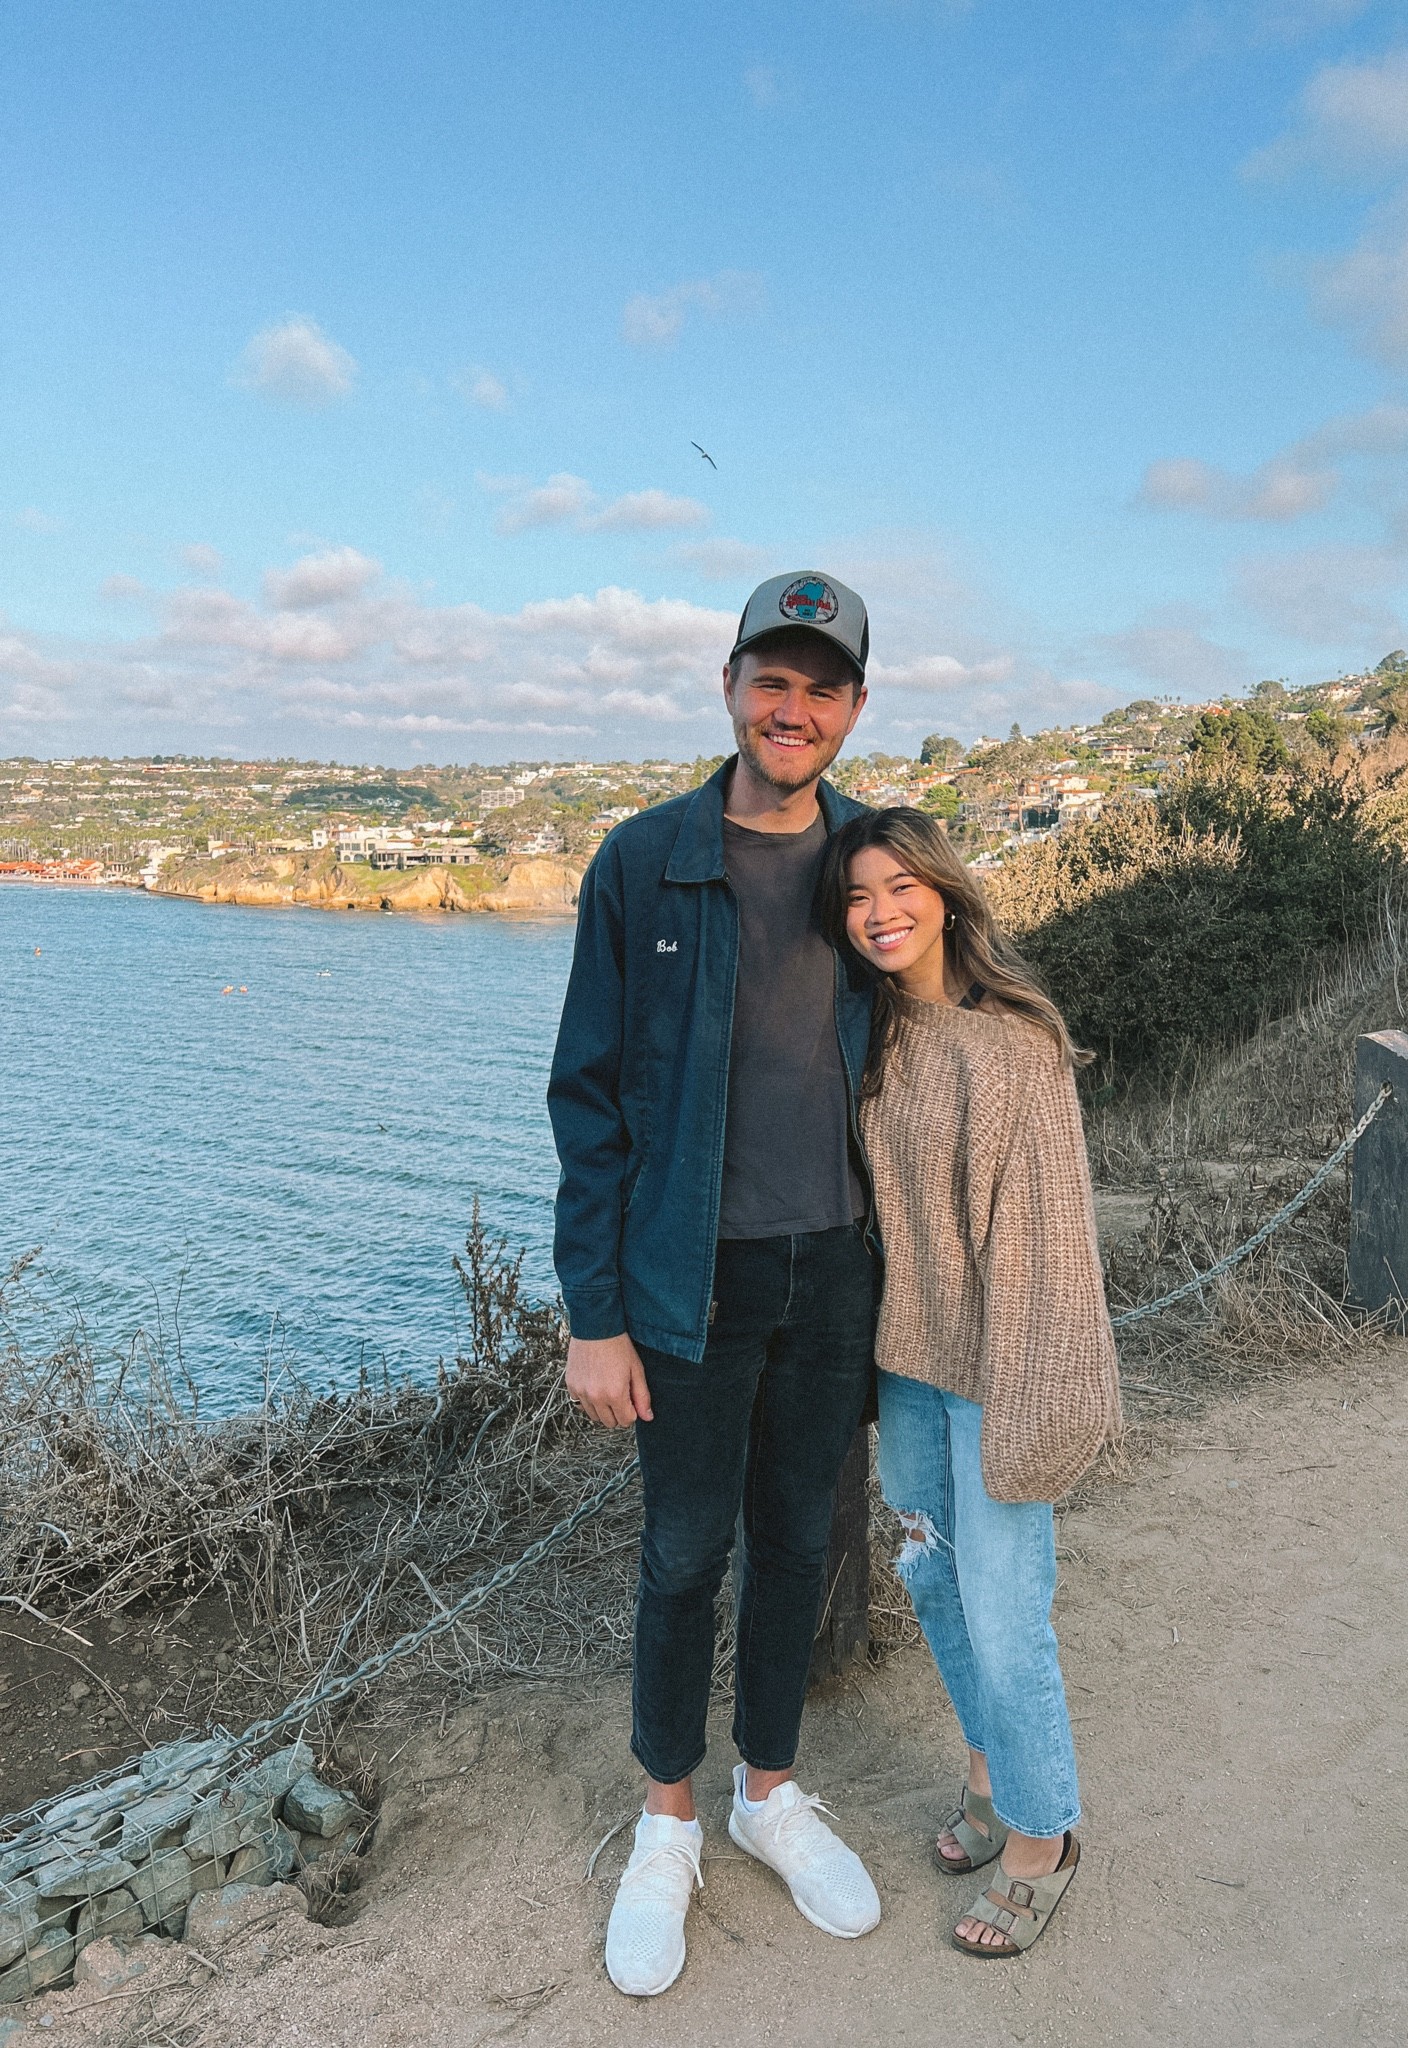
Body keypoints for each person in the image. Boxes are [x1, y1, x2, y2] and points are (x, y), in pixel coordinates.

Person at [548, 571, 884, 1999]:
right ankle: (669, 1822)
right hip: (687, 1283)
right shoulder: (643, 862)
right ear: (729, 684)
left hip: (842, 1270)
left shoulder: (881, 861)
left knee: (801, 1542)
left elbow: (955, 1043)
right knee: (685, 1555)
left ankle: (769, 1795)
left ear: (854, 709)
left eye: (821, 685)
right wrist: (592, 1313)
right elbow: (589, 1099)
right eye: (772, 676)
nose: (791, 706)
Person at [817, 805, 1122, 1960]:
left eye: (899, 887)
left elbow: (1047, 1244)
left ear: (945, 892)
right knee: (930, 1579)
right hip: (908, 1362)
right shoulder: (869, 1032)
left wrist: (1029, 1405)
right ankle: (994, 1775)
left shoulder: (1010, 1043)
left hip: (1000, 1368)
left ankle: (1046, 1836)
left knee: (1006, 1614)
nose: (879, 912)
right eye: (855, 896)